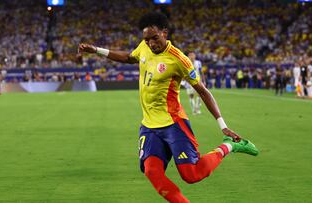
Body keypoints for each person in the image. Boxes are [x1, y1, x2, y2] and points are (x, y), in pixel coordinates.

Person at [78, 12, 258, 203]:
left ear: (164, 33)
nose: (150, 43)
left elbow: (203, 91)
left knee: (191, 175)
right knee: (152, 171)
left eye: (154, 38)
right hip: (149, 126)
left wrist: (223, 125)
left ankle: (230, 146)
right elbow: (129, 57)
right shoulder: (144, 46)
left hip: (173, 124)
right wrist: (96, 50)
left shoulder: (179, 59)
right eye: (146, 39)